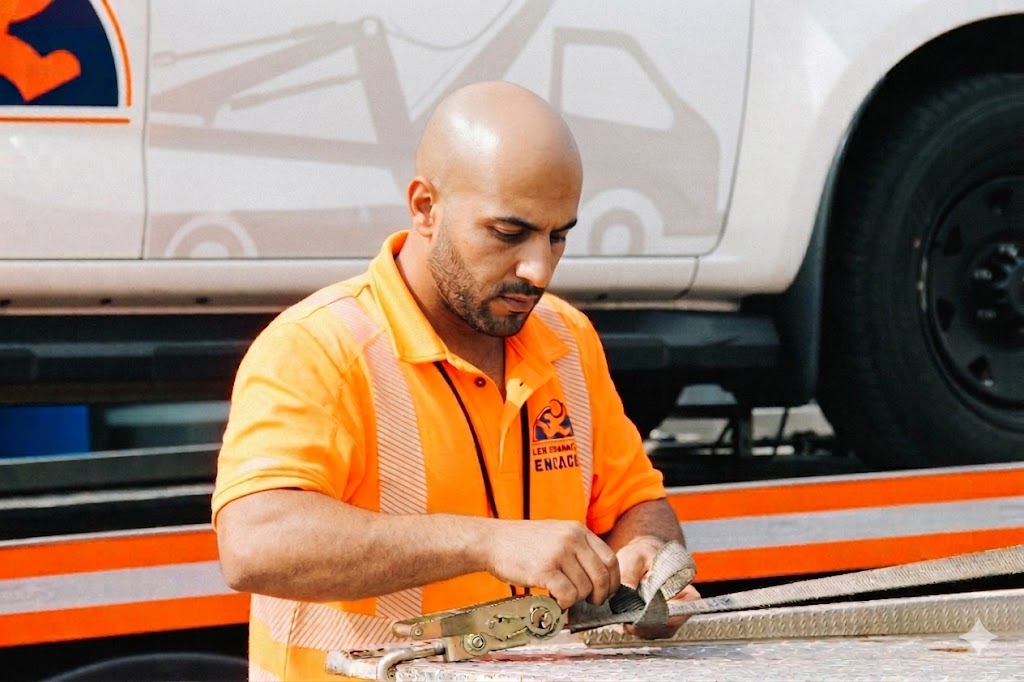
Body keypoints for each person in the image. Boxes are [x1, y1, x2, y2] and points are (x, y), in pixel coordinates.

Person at [212, 80, 699, 681]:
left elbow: (637, 503)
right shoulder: (319, 346)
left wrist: (648, 558)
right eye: (509, 233)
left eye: (558, 235)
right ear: (424, 208)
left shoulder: (568, 340)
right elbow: (254, 545)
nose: (538, 268)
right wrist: (487, 543)